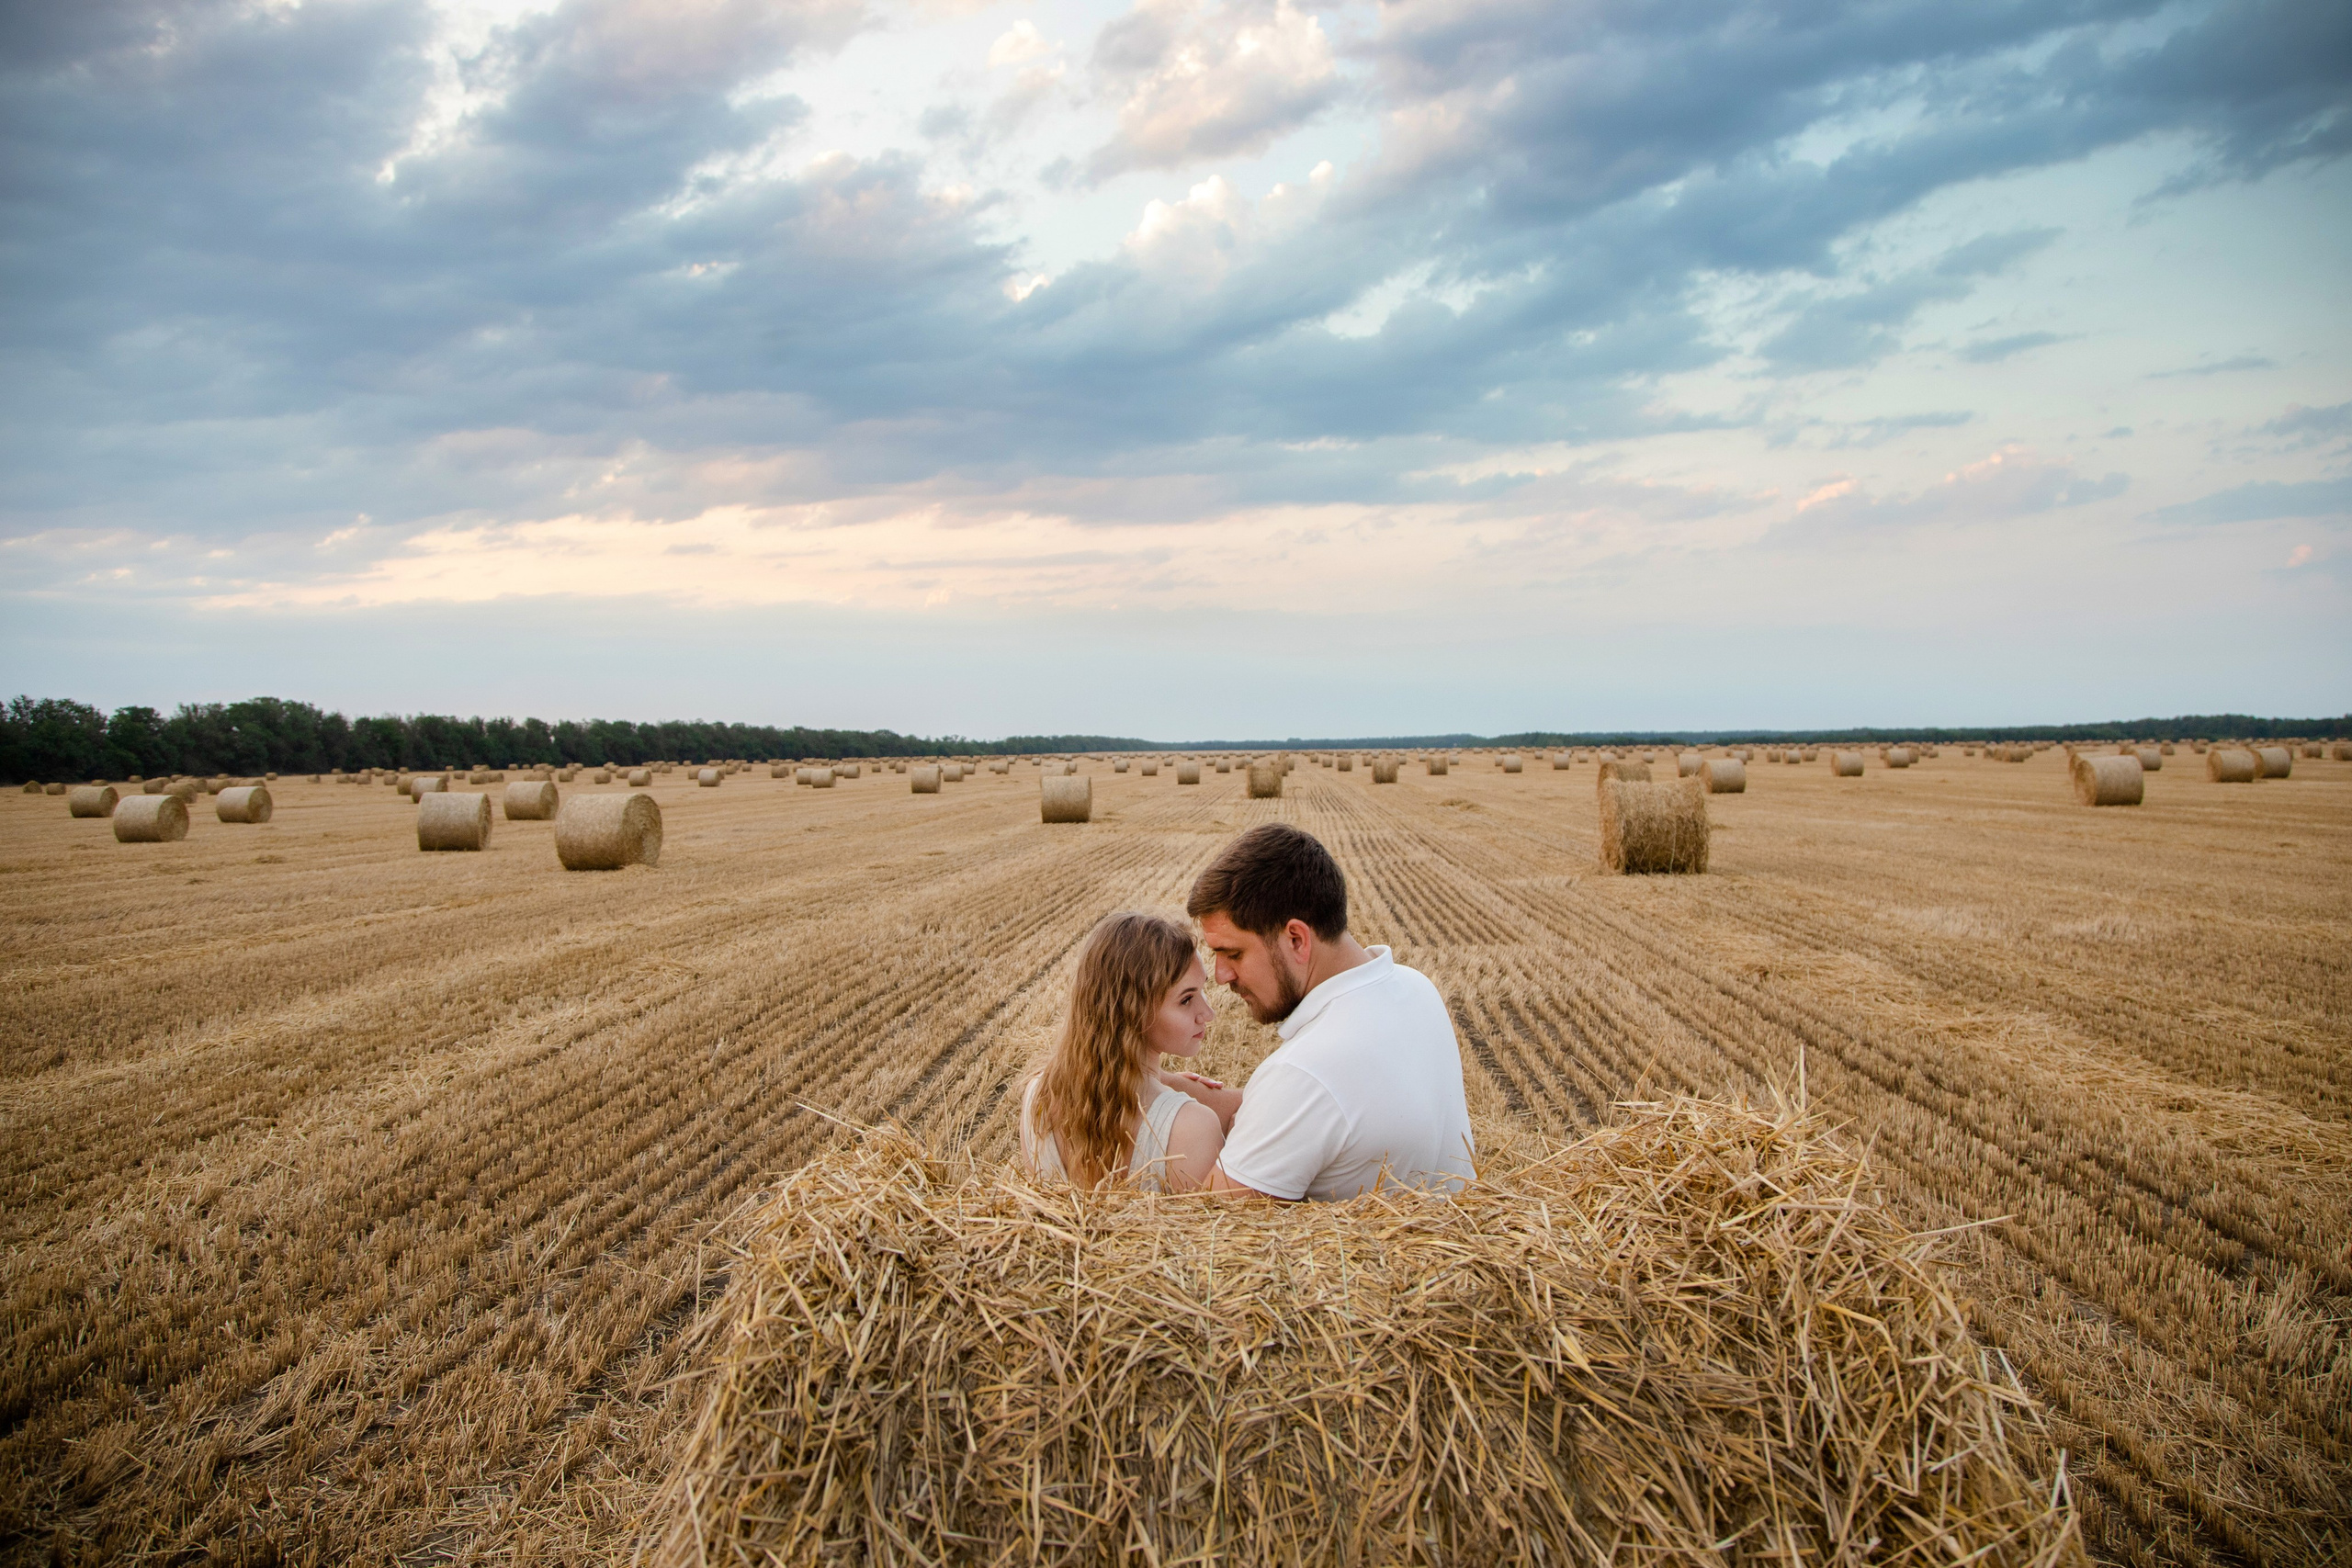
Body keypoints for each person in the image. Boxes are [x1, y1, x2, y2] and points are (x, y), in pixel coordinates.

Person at [1181, 823, 1475, 1201]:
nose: (1221, 975)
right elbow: (1324, 1111)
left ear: (1297, 939)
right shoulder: (1415, 986)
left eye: (1234, 953)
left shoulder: (1303, 1074)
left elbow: (1210, 1224)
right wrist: (1169, 1089)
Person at [1019, 911, 1229, 1192]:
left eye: (1202, 992)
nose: (1208, 1013)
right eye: (1187, 999)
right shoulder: (1192, 1128)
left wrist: (1163, 1080)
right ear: (1132, 1011)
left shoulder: (1038, 1098)